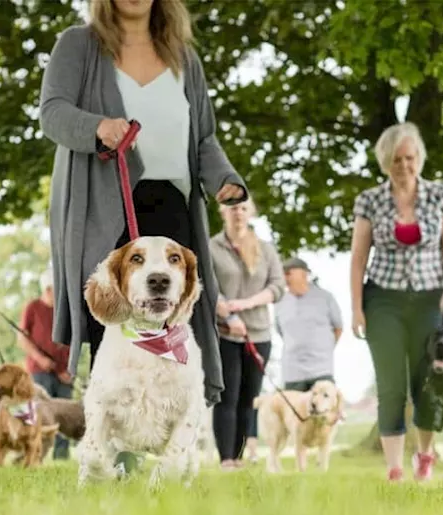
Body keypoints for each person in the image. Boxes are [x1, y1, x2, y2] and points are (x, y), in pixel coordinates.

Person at [39, 0, 248, 411]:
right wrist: (96, 126)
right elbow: (52, 113)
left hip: (172, 206)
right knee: (114, 319)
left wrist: (224, 179)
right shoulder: (78, 45)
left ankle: (165, 440)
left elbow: (203, 138)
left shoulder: (183, 57)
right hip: (103, 204)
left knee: (171, 322)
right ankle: (112, 449)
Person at [350, 121, 443, 482]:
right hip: (383, 298)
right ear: (386, 162)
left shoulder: (438, 195)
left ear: (420, 159)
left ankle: (425, 457)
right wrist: (356, 308)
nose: (404, 166)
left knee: (428, 381)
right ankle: (395, 469)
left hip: (431, 298)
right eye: (397, 159)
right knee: (391, 384)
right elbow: (358, 258)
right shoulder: (370, 200)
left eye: (410, 158)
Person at [207, 198, 284, 469]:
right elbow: (206, 287)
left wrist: (245, 305)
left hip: (259, 334)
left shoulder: (265, 249)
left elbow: (277, 287)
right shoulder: (211, 247)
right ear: (223, 212)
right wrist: (228, 314)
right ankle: (227, 459)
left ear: (250, 212)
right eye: (232, 208)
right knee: (227, 396)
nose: (237, 213)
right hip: (225, 334)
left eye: (242, 208)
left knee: (248, 399)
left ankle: (239, 458)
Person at [19, 273, 75, 460]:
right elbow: (22, 338)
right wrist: (40, 359)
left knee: (64, 418)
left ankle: (61, 457)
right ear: (48, 289)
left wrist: (70, 368)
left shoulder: (65, 310)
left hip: (63, 373)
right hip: (39, 372)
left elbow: (73, 340)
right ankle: (32, 455)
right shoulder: (33, 307)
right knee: (39, 414)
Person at [276, 257, 342, 391]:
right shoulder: (280, 302)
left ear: (304, 274)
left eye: (289, 273)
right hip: (293, 373)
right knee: (293, 411)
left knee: (324, 411)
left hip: (322, 370)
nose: (285, 278)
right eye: (283, 274)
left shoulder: (325, 297)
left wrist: (324, 348)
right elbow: (280, 332)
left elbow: (338, 328)